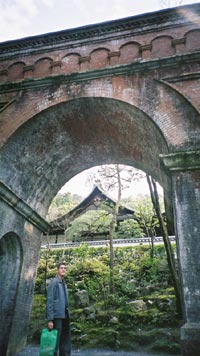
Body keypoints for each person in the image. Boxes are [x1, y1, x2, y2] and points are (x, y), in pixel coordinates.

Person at [46, 261, 71, 356]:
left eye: (65, 268)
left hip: (64, 315)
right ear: (57, 270)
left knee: (64, 339)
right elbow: (49, 301)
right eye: (61, 268)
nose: (63, 269)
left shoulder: (64, 283)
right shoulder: (54, 282)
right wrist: (50, 319)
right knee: (55, 340)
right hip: (57, 316)